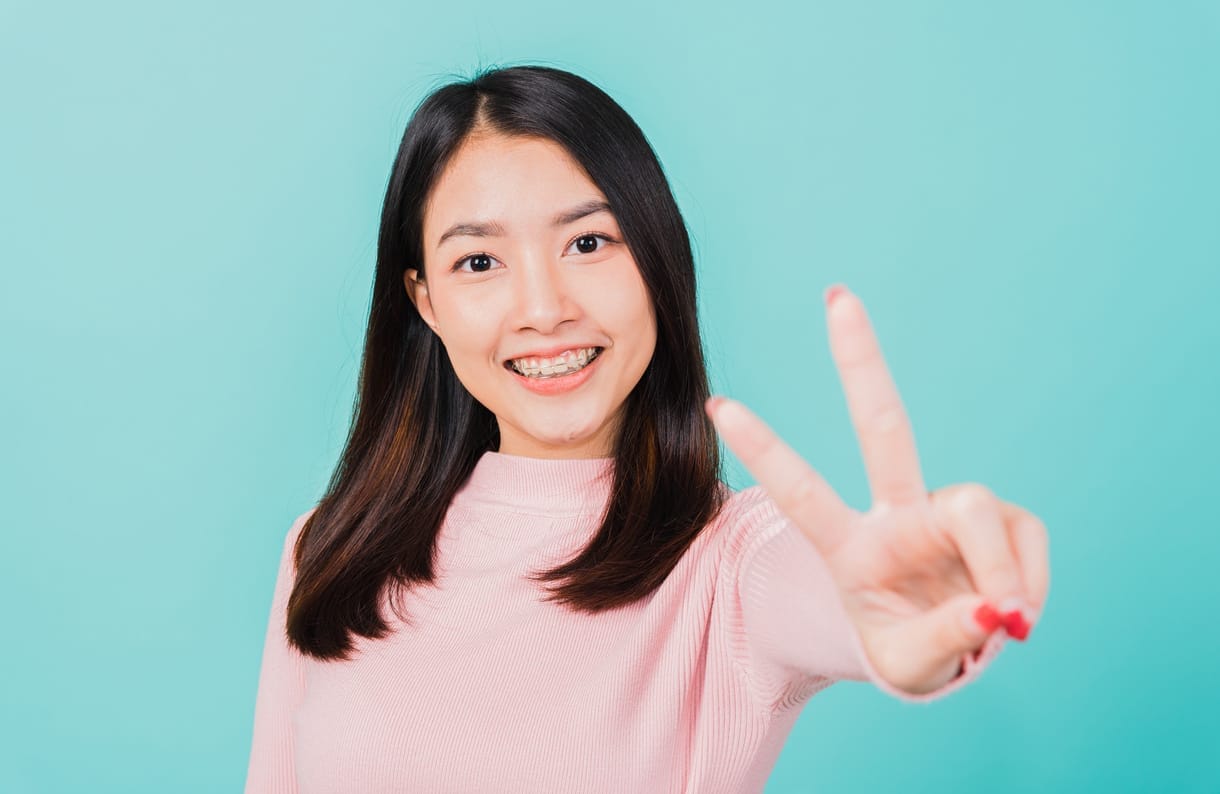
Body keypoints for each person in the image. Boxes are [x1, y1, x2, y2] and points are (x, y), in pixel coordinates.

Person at [243, 64, 1050, 794]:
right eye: (479, 262)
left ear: (657, 264)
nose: (544, 309)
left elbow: (828, 592)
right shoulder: (327, 548)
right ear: (426, 301)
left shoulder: (725, 562)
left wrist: (901, 606)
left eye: (589, 242)